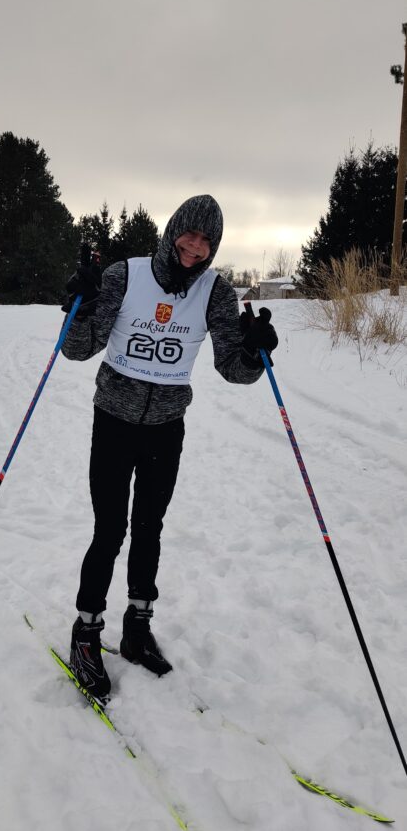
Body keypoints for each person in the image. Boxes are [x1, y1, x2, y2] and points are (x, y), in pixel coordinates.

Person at [61, 194, 278, 700]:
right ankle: (86, 631)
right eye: (189, 234)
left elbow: (232, 368)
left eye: (206, 241)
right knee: (110, 529)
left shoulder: (215, 292)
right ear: (172, 230)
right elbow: (76, 349)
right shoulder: (124, 275)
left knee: (149, 528)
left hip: (166, 427)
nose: (195, 246)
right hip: (113, 421)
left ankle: (137, 627)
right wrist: (83, 305)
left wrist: (253, 351)